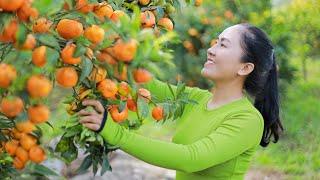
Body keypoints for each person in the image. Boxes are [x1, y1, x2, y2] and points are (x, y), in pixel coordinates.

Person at [77, 23, 284, 179]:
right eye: (215, 42)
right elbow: (148, 85)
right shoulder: (196, 99)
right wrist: (112, 52)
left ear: (245, 68)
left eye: (223, 45)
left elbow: (190, 159)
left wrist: (113, 132)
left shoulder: (247, 120)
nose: (211, 49)